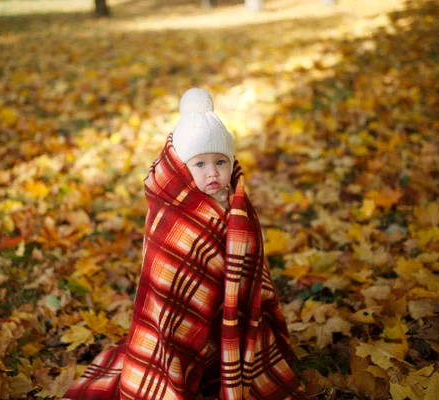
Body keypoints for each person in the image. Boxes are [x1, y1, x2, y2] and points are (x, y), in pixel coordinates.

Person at [64, 88, 303, 400]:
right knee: (178, 332)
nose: (213, 172)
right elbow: (166, 283)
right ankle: (175, 374)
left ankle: (223, 359)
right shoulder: (171, 213)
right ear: (182, 168)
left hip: (223, 316)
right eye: (199, 164)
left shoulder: (238, 207)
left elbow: (249, 271)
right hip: (182, 320)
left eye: (220, 161)